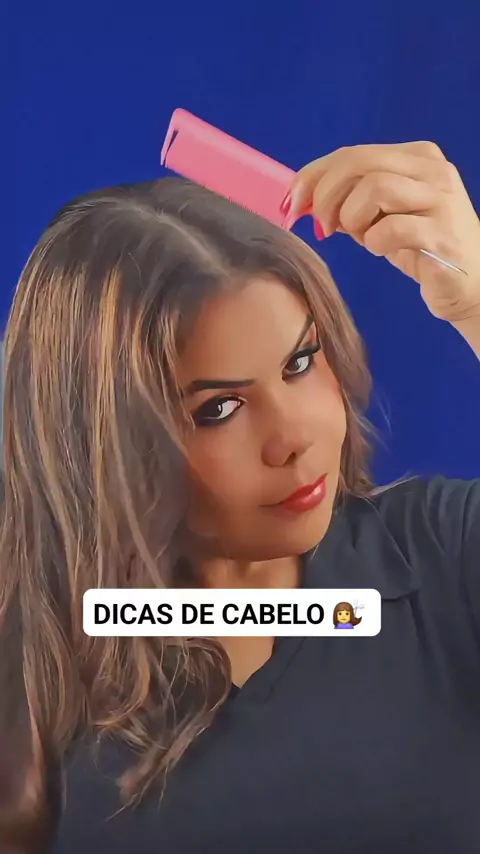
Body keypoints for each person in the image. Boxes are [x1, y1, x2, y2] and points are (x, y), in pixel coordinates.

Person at [0, 141, 479, 854]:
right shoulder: (37, 663)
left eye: (300, 362)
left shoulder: (441, 556)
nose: (294, 438)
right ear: (103, 444)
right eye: (218, 409)